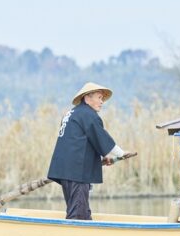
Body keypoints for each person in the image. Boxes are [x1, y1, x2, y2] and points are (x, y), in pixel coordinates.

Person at [48, 82, 129, 220]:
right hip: (76, 172)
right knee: (78, 214)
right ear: (87, 98)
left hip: (66, 170)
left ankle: (87, 235)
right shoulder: (87, 114)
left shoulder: (72, 113)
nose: (102, 102)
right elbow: (101, 137)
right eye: (99, 97)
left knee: (82, 211)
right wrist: (121, 153)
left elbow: (80, 143)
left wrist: (99, 159)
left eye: (102, 99)